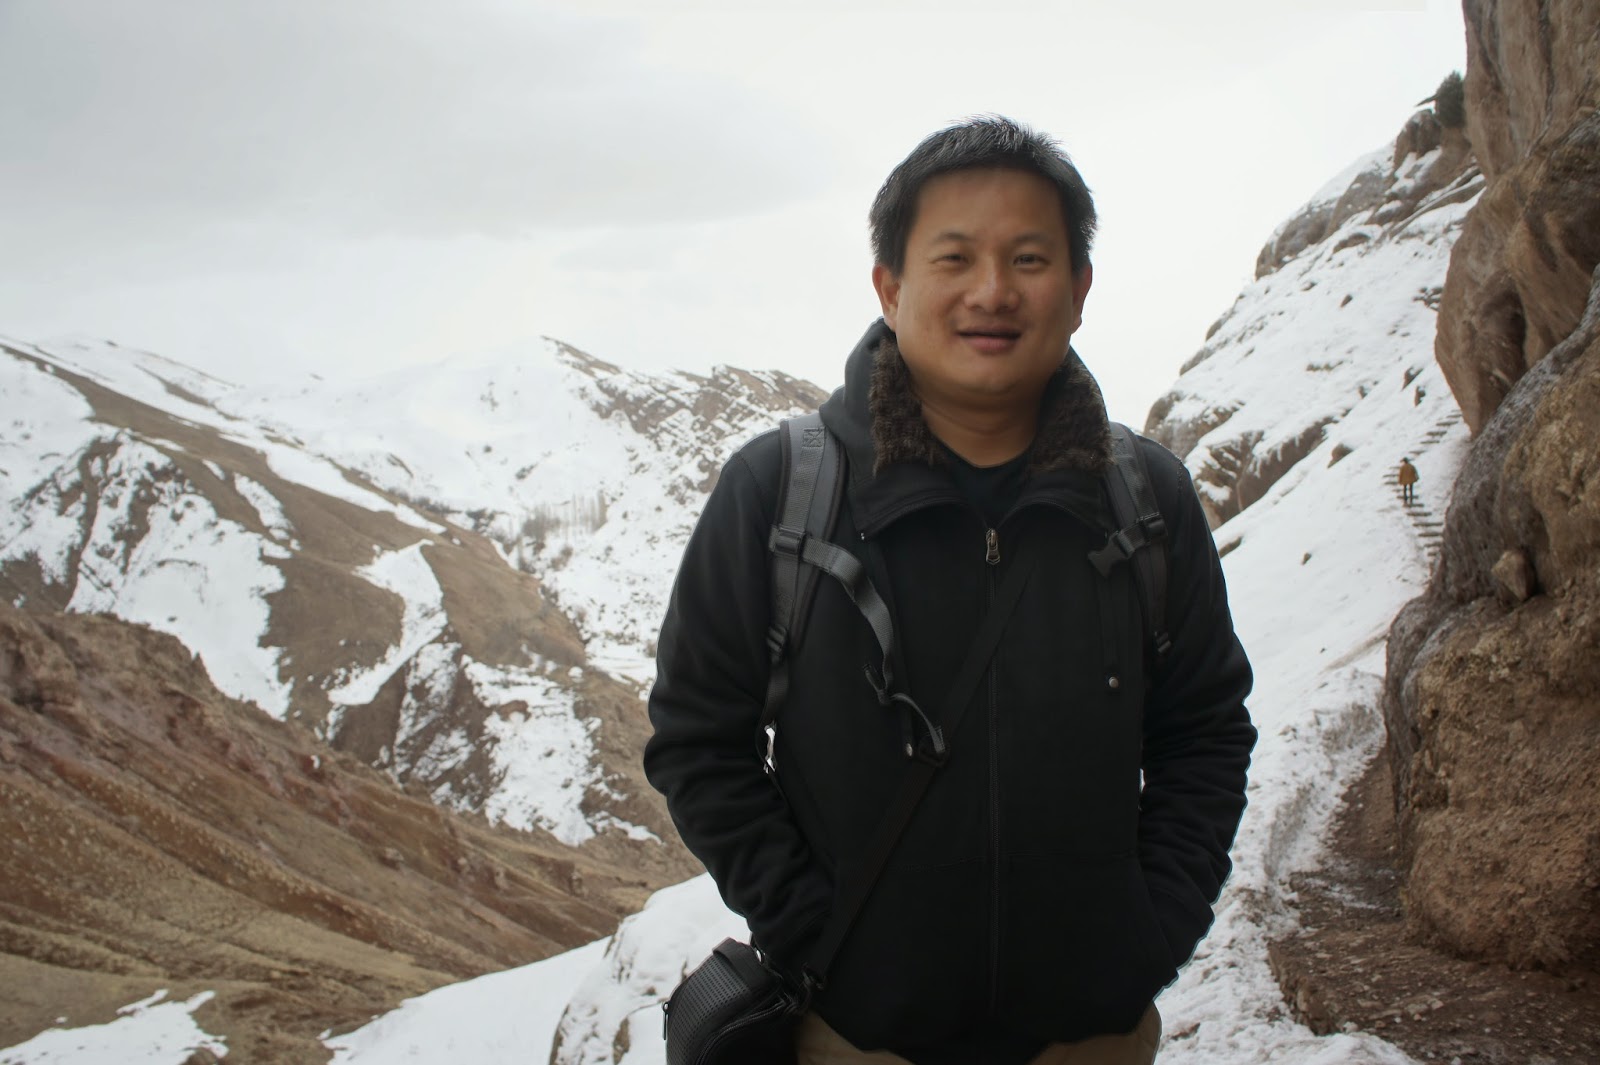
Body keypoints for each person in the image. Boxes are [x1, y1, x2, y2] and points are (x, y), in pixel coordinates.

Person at [644, 116, 1256, 1065]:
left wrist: (1149, 931)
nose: (992, 291)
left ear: (1079, 291)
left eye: (1029, 258)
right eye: (955, 257)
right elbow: (697, 738)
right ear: (890, 288)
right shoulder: (780, 491)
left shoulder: (1145, 500)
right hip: (856, 1040)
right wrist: (815, 930)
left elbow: (1204, 731)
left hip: (1089, 1039)